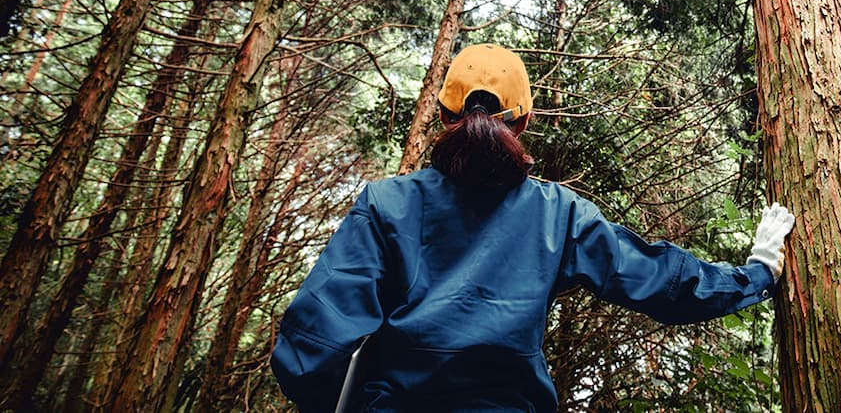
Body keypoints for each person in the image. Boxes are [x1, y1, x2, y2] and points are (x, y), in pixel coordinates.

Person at [271, 43, 796, 412]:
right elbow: (659, 281)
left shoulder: (386, 202)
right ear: (524, 120)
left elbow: (312, 347)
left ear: (442, 112)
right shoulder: (557, 214)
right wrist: (756, 274)